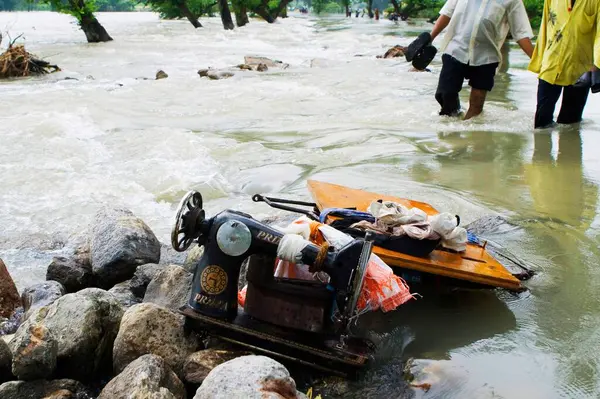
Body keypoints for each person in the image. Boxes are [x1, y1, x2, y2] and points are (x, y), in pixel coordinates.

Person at [427, 0, 534, 119]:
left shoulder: (512, 1)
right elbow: (447, 14)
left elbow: (520, 33)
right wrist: (429, 39)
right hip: (455, 50)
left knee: (476, 106)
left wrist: (538, 62)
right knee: (445, 94)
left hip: (486, 56)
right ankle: (453, 123)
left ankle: (471, 132)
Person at [528, 0, 600, 128]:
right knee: (541, 123)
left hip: (581, 68)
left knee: (570, 124)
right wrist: (539, 61)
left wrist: (596, 65)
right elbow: (545, 27)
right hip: (551, 64)